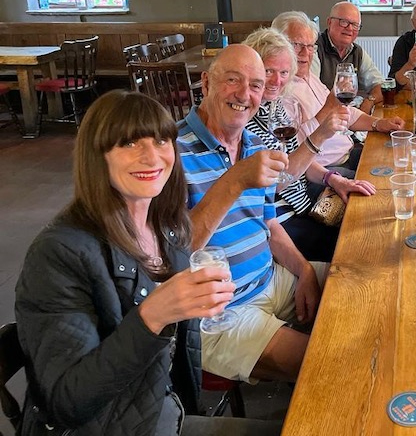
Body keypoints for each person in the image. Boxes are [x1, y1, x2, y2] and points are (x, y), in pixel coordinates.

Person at [15, 90, 276, 435]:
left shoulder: (166, 226)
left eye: (161, 141)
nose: (152, 157)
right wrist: (153, 316)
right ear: (98, 157)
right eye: (130, 144)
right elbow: (67, 402)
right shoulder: (58, 254)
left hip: (165, 412)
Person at [177, 44, 326, 383]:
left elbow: (269, 224)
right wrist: (235, 180)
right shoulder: (169, 152)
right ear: (206, 83)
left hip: (270, 281)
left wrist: (303, 270)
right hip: (219, 313)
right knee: (326, 364)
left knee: (360, 286)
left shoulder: (255, 145)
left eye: (256, 85)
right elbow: (174, 253)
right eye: (233, 80)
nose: (245, 94)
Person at [242, 26, 377, 262]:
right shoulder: (245, 122)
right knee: (360, 246)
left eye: (284, 72)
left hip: (305, 205)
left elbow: (299, 158)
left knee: (369, 216)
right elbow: (277, 184)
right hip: (283, 219)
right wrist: (319, 136)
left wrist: (334, 179)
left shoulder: (276, 108)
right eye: (268, 71)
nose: (276, 80)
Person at [274, 11, 404, 172]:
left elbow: (345, 112)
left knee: (401, 158)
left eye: (309, 47)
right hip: (326, 168)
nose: (305, 53)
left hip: (348, 153)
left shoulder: (308, 77)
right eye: (297, 45)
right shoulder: (280, 89)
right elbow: (294, 147)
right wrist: (328, 108)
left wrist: (378, 123)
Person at [314, 1, 383, 113]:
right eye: (344, 22)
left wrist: (369, 101)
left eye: (355, 25)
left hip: (351, 115)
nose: (350, 28)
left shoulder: (357, 51)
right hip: (324, 117)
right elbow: (312, 94)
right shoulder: (314, 49)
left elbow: (378, 84)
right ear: (329, 22)